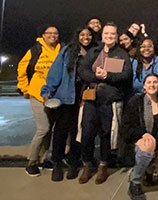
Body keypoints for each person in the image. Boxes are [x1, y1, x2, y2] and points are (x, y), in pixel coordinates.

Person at [77, 22, 132, 185]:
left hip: (109, 100)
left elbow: (127, 75)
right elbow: (82, 69)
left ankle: (103, 166)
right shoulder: (94, 51)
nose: (109, 36)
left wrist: (108, 76)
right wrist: (97, 76)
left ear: (116, 36)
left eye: (112, 34)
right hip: (92, 99)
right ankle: (87, 164)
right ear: (102, 35)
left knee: (106, 134)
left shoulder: (122, 54)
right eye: (106, 34)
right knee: (86, 133)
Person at [40, 26, 96, 181]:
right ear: (77, 36)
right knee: (61, 131)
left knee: (78, 132)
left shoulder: (95, 52)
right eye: (82, 34)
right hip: (66, 97)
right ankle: (56, 163)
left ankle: (73, 162)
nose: (86, 37)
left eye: (89, 35)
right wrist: (47, 92)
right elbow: (55, 72)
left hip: (84, 97)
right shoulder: (67, 51)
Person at [17, 25, 62, 177]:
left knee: (50, 130)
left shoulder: (61, 50)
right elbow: (22, 69)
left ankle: (43, 159)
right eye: (49, 33)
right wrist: (25, 89)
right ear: (43, 35)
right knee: (43, 128)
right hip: (37, 94)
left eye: (55, 33)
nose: (53, 36)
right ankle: (31, 162)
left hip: (54, 96)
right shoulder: (35, 50)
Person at [122, 73, 158, 200]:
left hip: (157, 144)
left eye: (155, 82)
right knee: (148, 146)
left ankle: (148, 171)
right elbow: (126, 127)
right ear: (144, 87)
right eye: (149, 82)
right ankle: (135, 182)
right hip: (137, 141)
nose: (152, 85)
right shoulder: (135, 102)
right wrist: (142, 134)